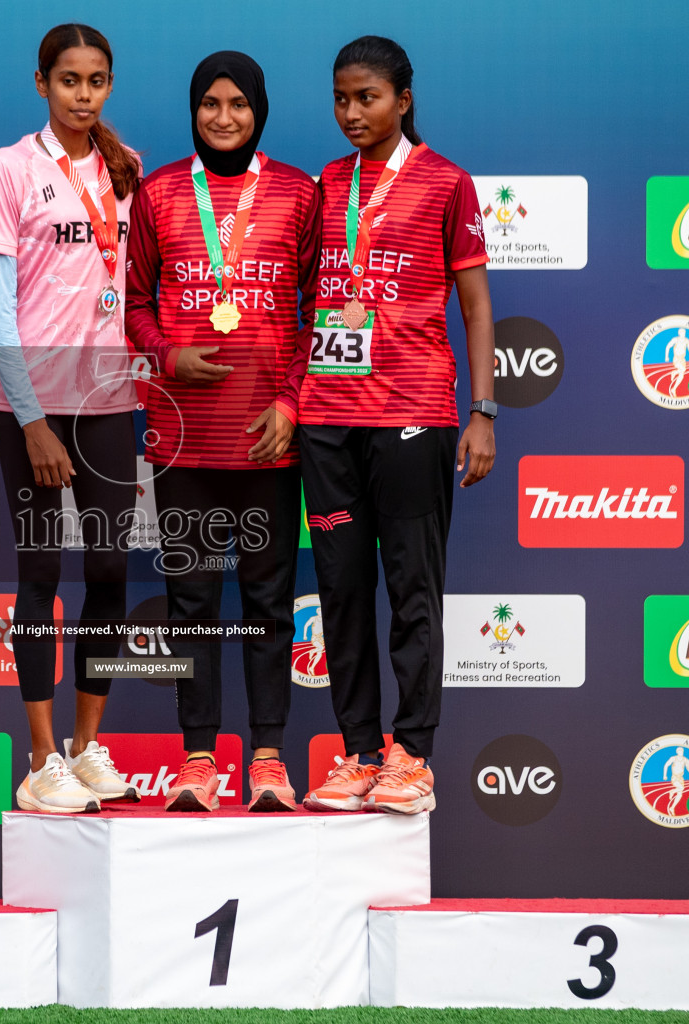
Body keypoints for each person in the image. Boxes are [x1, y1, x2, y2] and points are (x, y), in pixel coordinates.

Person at [299, 36, 497, 815]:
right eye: (342, 99)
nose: (353, 113)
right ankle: (357, 753)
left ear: (403, 100)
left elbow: (476, 307)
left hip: (413, 412)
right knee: (342, 589)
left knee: (413, 590)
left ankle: (412, 755)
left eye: (368, 98)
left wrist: (482, 412)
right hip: (327, 419)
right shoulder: (325, 183)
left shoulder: (446, 183)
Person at [125, 52, 322, 813]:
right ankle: (200, 760)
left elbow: (323, 308)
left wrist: (294, 405)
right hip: (182, 438)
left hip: (268, 435)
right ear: (193, 109)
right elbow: (134, 299)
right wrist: (168, 352)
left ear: (259, 110)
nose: (224, 117)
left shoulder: (298, 194)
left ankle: (268, 758)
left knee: (270, 600)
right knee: (192, 602)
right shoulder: (162, 192)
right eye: (209, 103)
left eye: (238, 103)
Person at [0, 23, 144, 813]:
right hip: (32, 408)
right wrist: (34, 419)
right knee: (41, 573)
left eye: (97, 80)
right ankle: (41, 760)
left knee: (109, 570)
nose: (84, 94)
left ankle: (87, 748)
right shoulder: (9, 169)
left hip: (111, 397)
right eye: (69, 80)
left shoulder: (125, 168)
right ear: (40, 82)